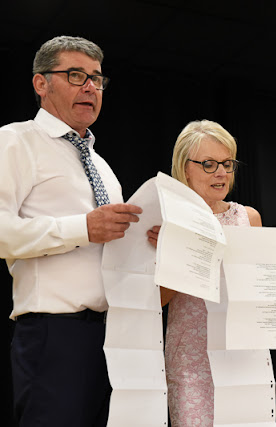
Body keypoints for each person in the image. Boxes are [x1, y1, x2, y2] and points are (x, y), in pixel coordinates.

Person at [1, 36, 143, 426]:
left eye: (97, 79)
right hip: (54, 335)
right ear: (41, 83)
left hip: (114, 337)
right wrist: (83, 227)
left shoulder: (103, 166)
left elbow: (110, 244)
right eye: (76, 75)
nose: (90, 88)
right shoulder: (15, 141)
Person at [147, 120, 261, 425]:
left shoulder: (248, 217)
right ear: (185, 169)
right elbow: (152, 302)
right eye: (209, 164)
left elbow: (262, 291)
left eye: (227, 163)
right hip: (191, 360)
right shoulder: (166, 218)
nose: (221, 173)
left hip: (243, 354)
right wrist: (179, 253)